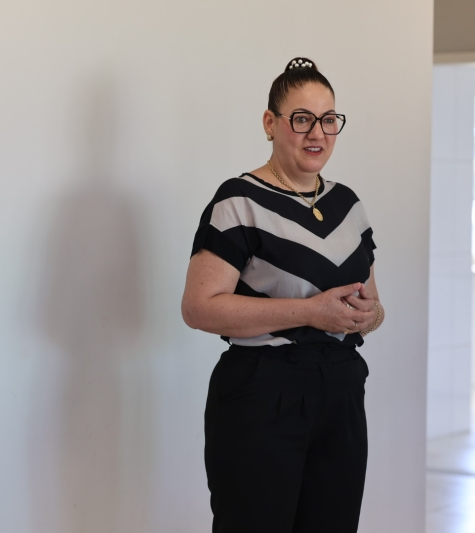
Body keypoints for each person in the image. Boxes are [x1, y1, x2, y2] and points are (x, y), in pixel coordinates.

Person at [181, 57, 385, 533]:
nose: (318, 133)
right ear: (270, 123)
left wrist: (367, 316)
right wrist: (311, 313)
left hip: (341, 391)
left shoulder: (348, 205)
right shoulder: (238, 200)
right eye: (302, 119)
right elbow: (198, 307)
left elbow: (375, 306)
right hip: (262, 392)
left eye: (329, 120)